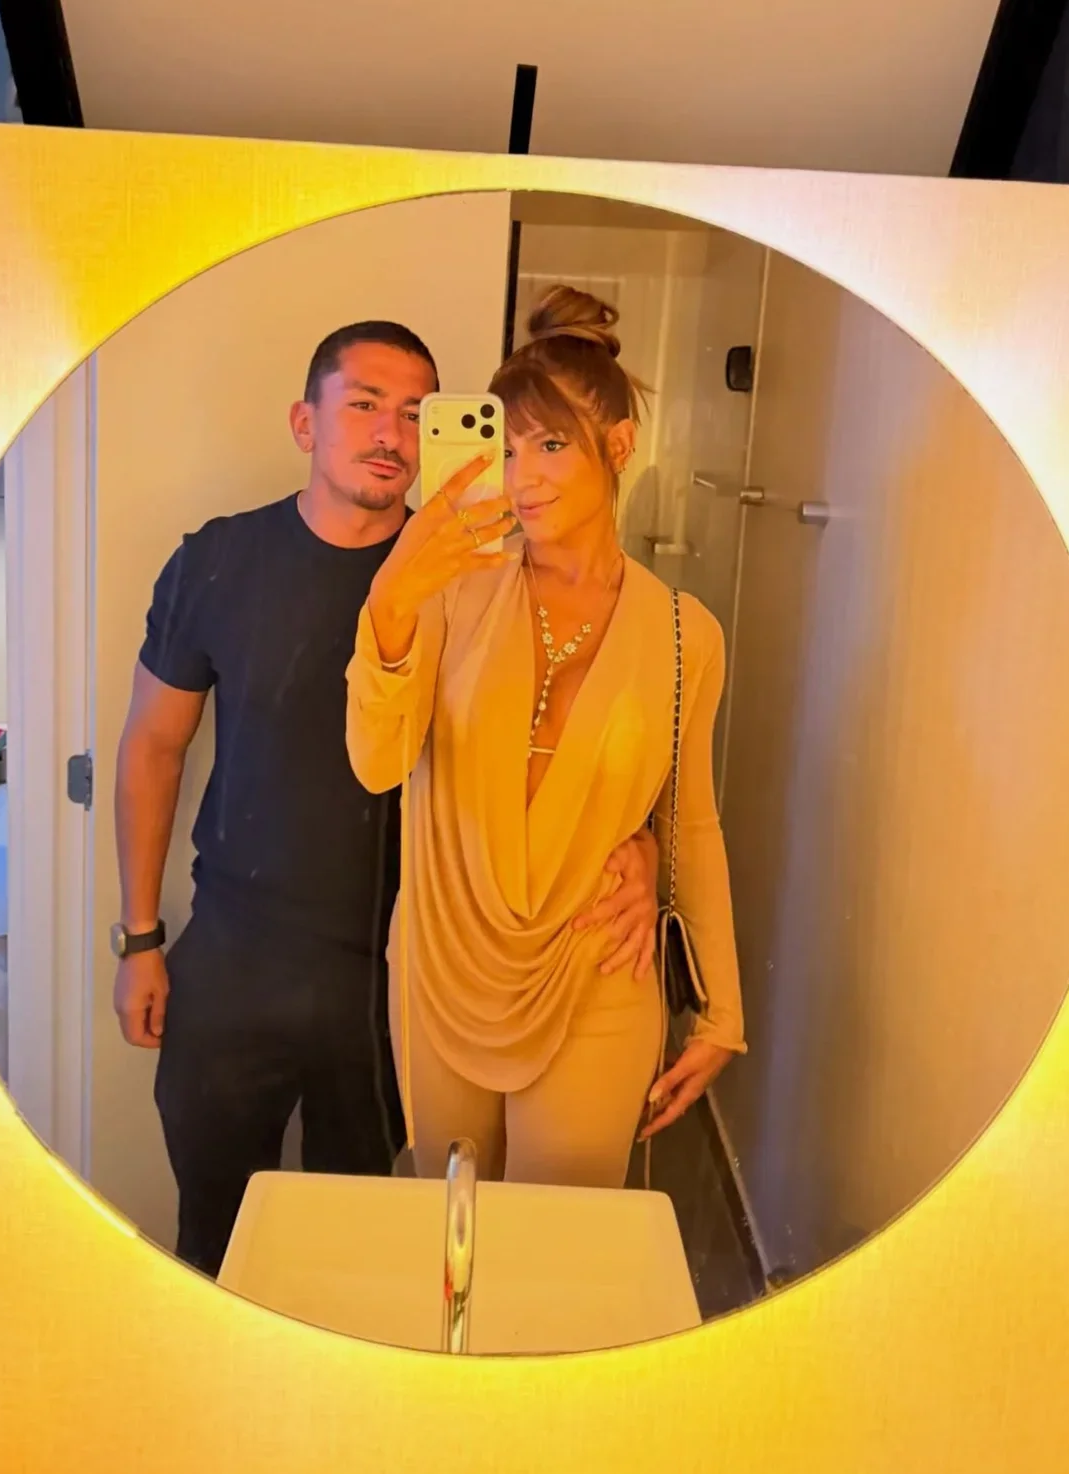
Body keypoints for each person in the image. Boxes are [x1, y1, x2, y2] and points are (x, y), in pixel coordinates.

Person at [111, 316, 661, 1278]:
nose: (391, 434)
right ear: (305, 422)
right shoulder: (218, 561)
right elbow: (154, 748)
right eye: (364, 404)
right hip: (235, 959)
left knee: (378, 1254)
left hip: (403, 977)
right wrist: (141, 938)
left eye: (416, 413)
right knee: (214, 1236)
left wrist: (642, 847)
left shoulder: (487, 577)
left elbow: (577, 739)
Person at [346, 286, 746, 1190]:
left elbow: (690, 823)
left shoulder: (685, 634)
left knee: (562, 1240)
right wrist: (392, 595)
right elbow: (376, 764)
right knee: (447, 1226)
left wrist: (721, 1011)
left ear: (619, 446)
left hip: (597, 966)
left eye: (552, 445)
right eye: (507, 447)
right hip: (443, 960)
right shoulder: (450, 591)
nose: (522, 476)